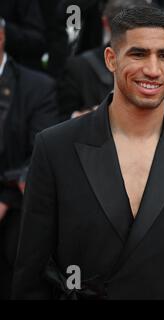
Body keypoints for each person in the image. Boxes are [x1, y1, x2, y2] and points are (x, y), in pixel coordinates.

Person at [11, 6, 164, 299]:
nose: (153, 70)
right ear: (111, 59)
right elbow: (31, 274)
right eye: (138, 54)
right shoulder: (55, 148)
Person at [0, 17, 59, 299]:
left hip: (19, 202)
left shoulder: (37, 87)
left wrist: (4, 199)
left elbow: (39, 157)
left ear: (1, 36)